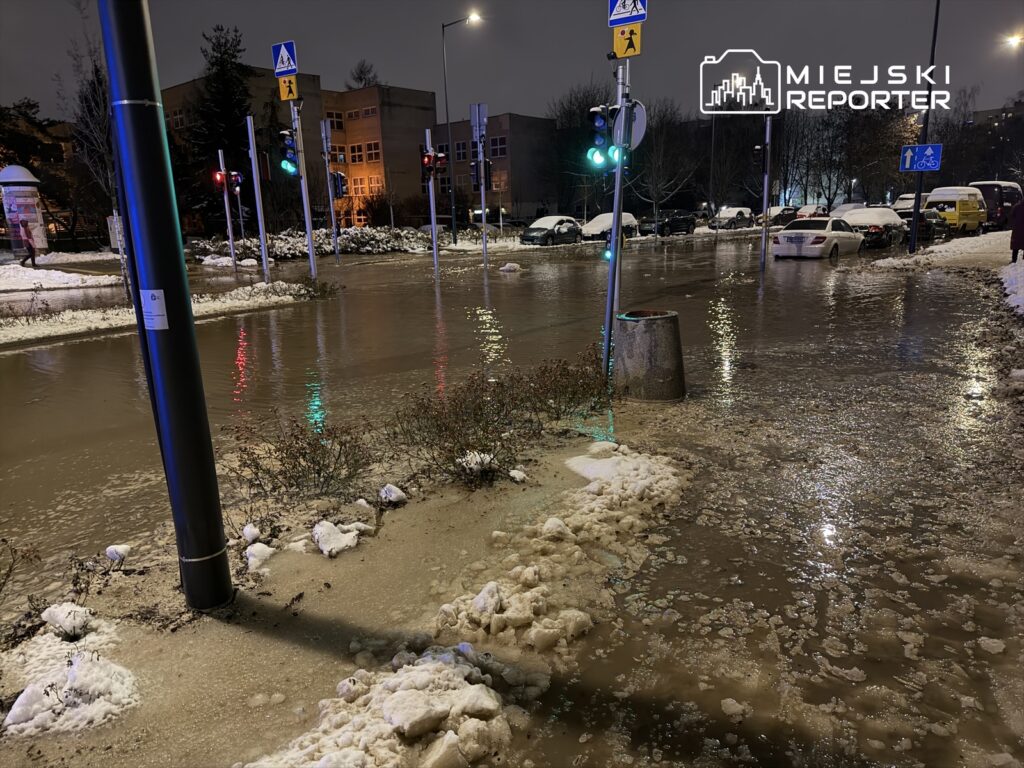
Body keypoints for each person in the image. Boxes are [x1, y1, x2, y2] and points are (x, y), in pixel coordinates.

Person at [1011, 199, 1024, 264]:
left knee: (1015, 245)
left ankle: (1014, 259)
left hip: (1017, 229)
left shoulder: (1016, 206)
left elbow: (1012, 216)